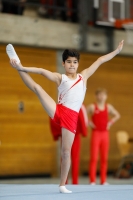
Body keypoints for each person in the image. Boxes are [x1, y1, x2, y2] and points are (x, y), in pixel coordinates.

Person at [6, 40, 124, 193]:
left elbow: (100, 60)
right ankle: (18, 66)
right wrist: (22, 67)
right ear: (63, 64)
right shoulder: (60, 77)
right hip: (58, 109)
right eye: (69, 62)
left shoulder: (84, 76)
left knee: (66, 151)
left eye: (75, 62)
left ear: (78, 64)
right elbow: (42, 71)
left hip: (71, 118)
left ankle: (62, 185)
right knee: (37, 88)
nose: (72, 65)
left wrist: (116, 51)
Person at [87, 88, 121, 185]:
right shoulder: (92, 107)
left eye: (103, 95)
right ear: (96, 96)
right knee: (94, 158)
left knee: (104, 158)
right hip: (96, 133)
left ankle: (103, 180)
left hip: (105, 134)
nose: (102, 97)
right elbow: (82, 114)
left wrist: (110, 122)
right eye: (100, 95)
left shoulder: (108, 107)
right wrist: (89, 122)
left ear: (106, 97)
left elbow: (117, 115)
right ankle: (92, 180)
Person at [50, 104, 88, 184]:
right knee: (64, 156)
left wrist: (84, 131)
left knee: (75, 158)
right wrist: (57, 134)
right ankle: (64, 182)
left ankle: (75, 182)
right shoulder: (61, 105)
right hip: (64, 135)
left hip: (75, 135)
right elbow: (53, 118)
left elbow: (84, 118)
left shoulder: (79, 105)